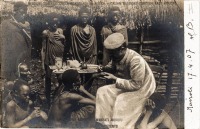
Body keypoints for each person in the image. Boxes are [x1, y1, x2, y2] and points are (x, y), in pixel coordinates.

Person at [95, 33, 156, 129]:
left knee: (121, 100)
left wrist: (115, 79)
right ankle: (105, 124)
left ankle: (120, 126)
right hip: (126, 85)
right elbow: (113, 67)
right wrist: (103, 69)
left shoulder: (135, 60)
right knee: (102, 91)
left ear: (122, 47)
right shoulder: (117, 56)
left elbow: (136, 85)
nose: (111, 55)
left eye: (113, 52)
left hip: (143, 89)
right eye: (110, 52)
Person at [1, 2, 32, 81]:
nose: (24, 14)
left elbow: (29, 41)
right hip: (11, 57)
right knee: (11, 80)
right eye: (22, 12)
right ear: (15, 11)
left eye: (25, 12)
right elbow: (2, 42)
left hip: (23, 55)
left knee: (23, 78)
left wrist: (24, 28)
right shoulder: (6, 24)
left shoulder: (26, 24)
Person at [41, 13, 65, 106]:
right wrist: (42, 65)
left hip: (59, 59)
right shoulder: (45, 33)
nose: (55, 24)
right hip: (49, 58)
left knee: (60, 78)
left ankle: (59, 97)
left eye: (56, 22)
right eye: (53, 22)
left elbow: (63, 45)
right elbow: (43, 49)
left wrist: (64, 37)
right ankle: (48, 100)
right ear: (49, 22)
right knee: (48, 78)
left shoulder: (60, 31)